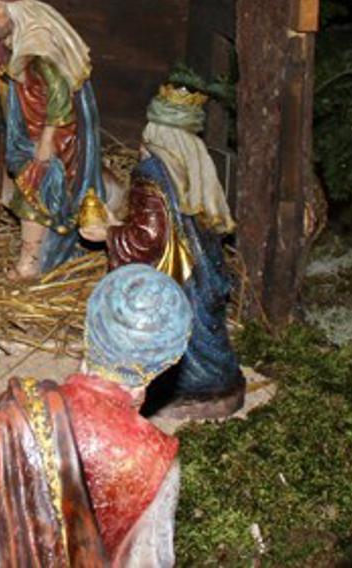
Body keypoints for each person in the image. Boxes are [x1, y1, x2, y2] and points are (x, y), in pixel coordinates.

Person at [0, 264, 193, 567]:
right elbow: (148, 560)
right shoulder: (157, 461)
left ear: (88, 330)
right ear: (167, 362)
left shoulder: (17, 412)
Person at [81, 83, 245, 419]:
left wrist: (108, 233)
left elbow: (148, 238)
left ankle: (188, 389)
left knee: (180, 333)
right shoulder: (194, 169)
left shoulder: (151, 174)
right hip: (200, 270)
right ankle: (217, 382)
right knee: (205, 332)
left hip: (175, 276)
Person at [0, 0, 108, 281]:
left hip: (50, 136)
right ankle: (39, 258)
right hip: (34, 130)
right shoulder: (17, 37)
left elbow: (59, 98)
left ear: (13, 8)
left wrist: (45, 146)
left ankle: (30, 265)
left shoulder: (38, 47)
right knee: (34, 197)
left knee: (32, 198)